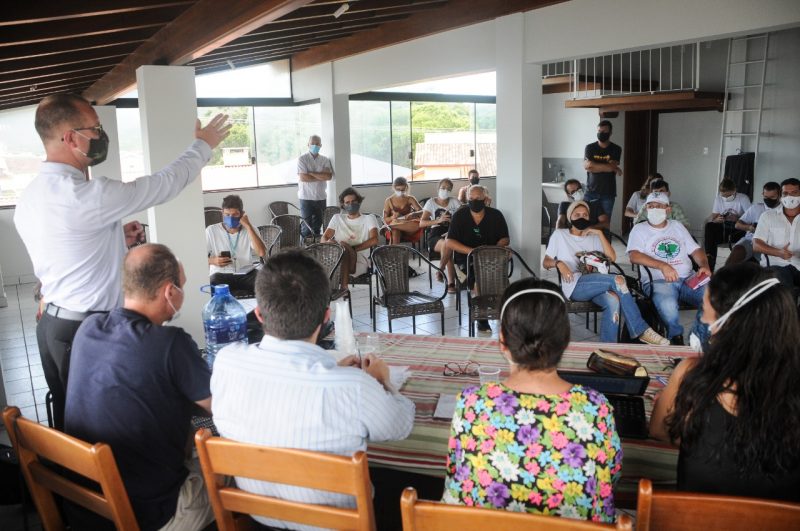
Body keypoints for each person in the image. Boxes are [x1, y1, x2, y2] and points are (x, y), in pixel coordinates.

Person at [13, 93, 229, 431]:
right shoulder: (88, 195)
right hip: (86, 330)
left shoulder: (31, 195)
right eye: (94, 128)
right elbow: (163, 185)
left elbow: (65, 251)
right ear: (71, 138)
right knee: (105, 428)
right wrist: (203, 145)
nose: (100, 135)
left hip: (53, 329)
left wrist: (115, 239)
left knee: (73, 424)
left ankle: (79, 482)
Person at [211, 251, 415, 530]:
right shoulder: (355, 388)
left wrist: (338, 373)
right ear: (326, 317)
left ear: (259, 314)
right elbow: (401, 426)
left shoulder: (226, 364)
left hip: (258, 520)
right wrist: (383, 381)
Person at [442, 278, 622, 522]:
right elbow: (610, 477)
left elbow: (455, 475)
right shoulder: (596, 407)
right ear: (566, 340)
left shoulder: (471, 404)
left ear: (502, 341)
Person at [65, 244, 214, 531]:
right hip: (149, 514)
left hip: (86, 506)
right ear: (170, 292)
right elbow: (220, 408)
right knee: (234, 476)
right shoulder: (171, 343)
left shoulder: (88, 329)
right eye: (182, 286)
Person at [650, 263, 800, 500]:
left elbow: (659, 430)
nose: (704, 324)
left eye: (704, 314)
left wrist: (683, 418)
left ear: (728, 321)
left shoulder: (693, 374)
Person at [544, 201, 669, 345]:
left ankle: (608, 349)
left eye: (585, 215)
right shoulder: (560, 235)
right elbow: (546, 262)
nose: (581, 217)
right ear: (569, 217)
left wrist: (599, 233)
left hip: (596, 283)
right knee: (617, 280)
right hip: (574, 285)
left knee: (613, 299)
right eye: (577, 214)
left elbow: (612, 257)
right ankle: (641, 330)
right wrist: (559, 264)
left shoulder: (593, 236)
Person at [627, 192, 711, 345]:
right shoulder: (639, 229)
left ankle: (702, 338)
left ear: (668, 209)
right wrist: (663, 265)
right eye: (650, 206)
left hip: (688, 278)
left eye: (658, 206)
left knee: (714, 298)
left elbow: (695, 250)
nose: (654, 209)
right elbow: (634, 256)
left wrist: (704, 265)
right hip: (659, 281)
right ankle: (676, 338)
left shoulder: (677, 226)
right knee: (668, 306)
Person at [446, 185, 510, 334]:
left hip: (490, 259)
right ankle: (482, 317)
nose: (474, 201)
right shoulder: (460, 216)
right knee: (479, 279)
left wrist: (494, 249)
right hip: (465, 261)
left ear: (485, 199)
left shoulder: (496, 215)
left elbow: (505, 238)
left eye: (478, 199)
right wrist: (474, 251)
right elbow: (449, 242)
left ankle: (505, 312)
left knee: (501, 280)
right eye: (471, 199)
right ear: (467, 199)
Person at [205, 194, 267, 297]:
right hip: (220, 274)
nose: (230, 218)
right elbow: (199, 259)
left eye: (235, 214)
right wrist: (213, 261)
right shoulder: (211, 230)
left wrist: (248, 226)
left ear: (242, 214)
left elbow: (261, 252)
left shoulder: (251, 229)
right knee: (212, 284)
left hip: (245, 273)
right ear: (222, 213)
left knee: (264, 283)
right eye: (227, 214)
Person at [321, 187, 380, 289]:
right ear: (343, 205)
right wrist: (329, 244)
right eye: (347, 202)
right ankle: (344, 288)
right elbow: (324, 237)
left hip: (359, 260)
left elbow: (374, 240)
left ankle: (343, 287)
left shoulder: (369, 218)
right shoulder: (337, 218)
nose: (351, 204)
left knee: (343, 246)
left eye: (353, 201)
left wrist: (352, 249)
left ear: (359, 202)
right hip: (337, 258)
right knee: (335, 243)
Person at [753, 177, 800, 288]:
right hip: (775, 265)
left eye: (794, 193)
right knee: (783, 290)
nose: (789, 197)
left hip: (798, 264)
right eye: (785, 193)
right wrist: (778, 252)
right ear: (781, 196)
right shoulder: (768, 216)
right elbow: (756, 245)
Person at [419, 178, 462, 293]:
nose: (445, 190)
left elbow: (464, 216)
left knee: (448, 243)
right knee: (447, 244)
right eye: (443, 188)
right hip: (436, 233)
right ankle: (451, 283)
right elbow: (422, 223)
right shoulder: (431, 203)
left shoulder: (455, 202)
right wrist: (438, 221)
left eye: (448, 189)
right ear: (438, 188)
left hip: (452, 232)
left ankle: (440, 271)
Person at [725, 181, 780, 266]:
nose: (768, 200)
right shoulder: (756, 208)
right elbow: (738, 224)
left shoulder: (785, 211)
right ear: (762, 194)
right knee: (737, 250)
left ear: (779, 195)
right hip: (751, 240)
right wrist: (750, 228)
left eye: (772, 197)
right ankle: (723, 275)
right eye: (766, 197)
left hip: (772, 244)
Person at [703, 178, 752, 271]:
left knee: (743, 231)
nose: (726, 198)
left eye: (728, 195)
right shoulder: (718, 199)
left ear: (734, 191)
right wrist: (717, 219)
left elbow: (751, 218)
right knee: (710, 226)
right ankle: (710, 258)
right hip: (723, 227)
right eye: (723, 196)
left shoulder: (743, 198)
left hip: (737, 229)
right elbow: (713, 217)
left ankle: (734, 264)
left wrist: (737, 218)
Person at [297, 134, 334, 238]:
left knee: (318, 226)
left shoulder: (325, 159)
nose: (315, 145)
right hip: (305, 198)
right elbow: (303, 178)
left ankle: (316, 249)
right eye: (312, 143)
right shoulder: (302, 159)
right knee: (306, 227)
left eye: (317, 144)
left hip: (321, 197)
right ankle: (305, 251)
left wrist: (311, 173)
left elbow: (328, 176)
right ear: (308, 144)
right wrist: (320, 176)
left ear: (321, 145)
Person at [583, 120, 622, 217]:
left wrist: (594, 165)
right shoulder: (590, 147)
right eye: (599, 131)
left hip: (608, 193)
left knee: (605, 223)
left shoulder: (616, 148)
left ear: (610, 133)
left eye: (604, 131)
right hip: (590, 192)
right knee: (587, 219)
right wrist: (611, 168)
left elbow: (611, 167)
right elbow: (588, 167)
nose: (601, 133)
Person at [383, 176, 424, 244]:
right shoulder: (389, 200)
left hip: (407, 227)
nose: (401, 192)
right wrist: (392, 217)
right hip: (395, 224)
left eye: (403, 190)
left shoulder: (410, 198)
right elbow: (385, 219)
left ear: (406, 188)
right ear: (394, 188)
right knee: (395, 231)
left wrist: (413, 214)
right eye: (398, 189)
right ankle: (396, 253)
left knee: (418, 224)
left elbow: (422, 212)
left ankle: (390, 227)